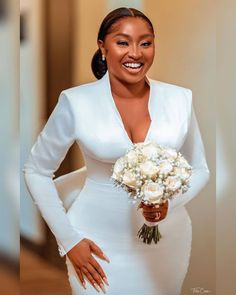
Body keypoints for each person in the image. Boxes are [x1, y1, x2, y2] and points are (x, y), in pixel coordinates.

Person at [23, 7, 210, 295]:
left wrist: (168, 204)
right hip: (95, 242)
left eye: (145, 43)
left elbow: (200, 169)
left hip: (166, 243)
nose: (135, 53)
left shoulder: (180, 99)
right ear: (102, 47)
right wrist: (69, 240)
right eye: (122, 42)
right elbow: (36, 170)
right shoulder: (76, 102)